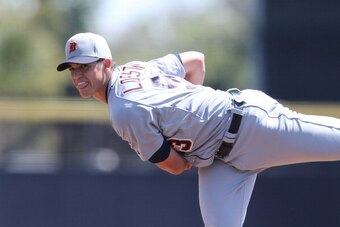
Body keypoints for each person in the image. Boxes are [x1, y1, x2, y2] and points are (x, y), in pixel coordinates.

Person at [57, 32, 340, 227]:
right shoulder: (138, 68)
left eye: (85, 66)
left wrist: (200, 114)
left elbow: (177, 166)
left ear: (106, 64)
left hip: (250, 126)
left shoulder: (123, 111)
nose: (78, 75)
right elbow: (196, 60)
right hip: (220, 160)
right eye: (72, 69)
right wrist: (196, 110)